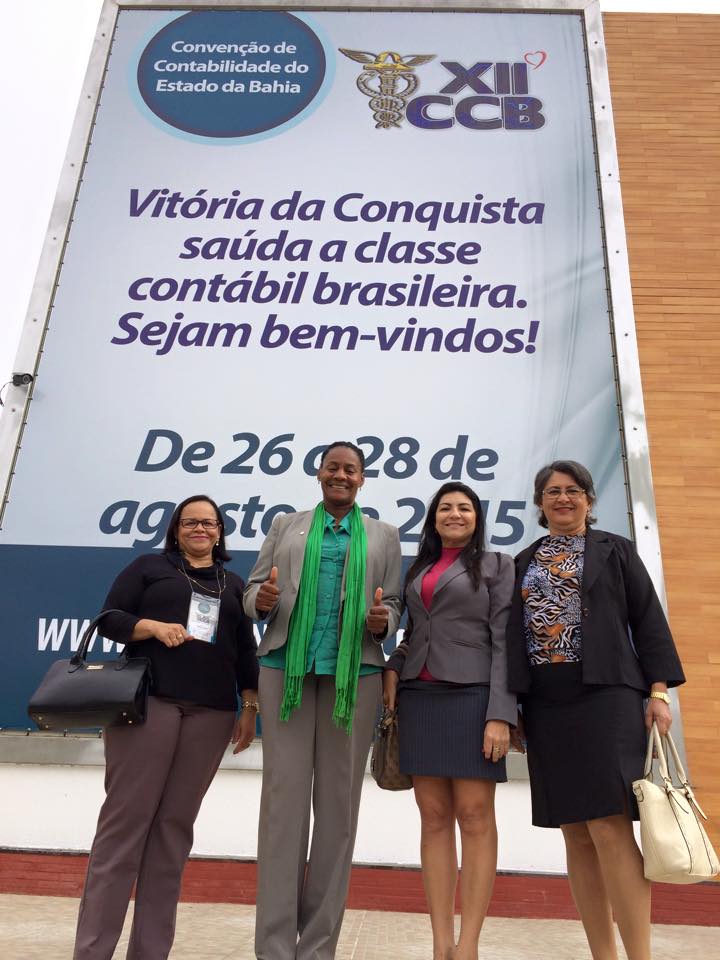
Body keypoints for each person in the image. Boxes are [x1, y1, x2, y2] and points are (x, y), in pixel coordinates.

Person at [506, 461, 685, 960]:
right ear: (540, 503)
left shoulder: (617, 550)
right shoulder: (522, 561)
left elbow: (648, 621)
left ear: (589, 498)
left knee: (609, 826)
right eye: (552, 491)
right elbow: (512, 638)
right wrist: (514, 704)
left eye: (573, 490)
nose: (563, 498)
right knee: (576, 833)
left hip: (608, 697)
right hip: (546, 704)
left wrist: (659, 693)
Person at [73, 494, 259, 960]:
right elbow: (110, 619)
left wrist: (250, 704)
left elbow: (245, 651)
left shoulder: (233, 583)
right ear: (175, 529)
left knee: (173, 832)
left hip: (211, 714)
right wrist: (152, 627)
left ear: (220, 532)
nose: (200, 529)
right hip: (149, 704)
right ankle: (92, 951)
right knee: (124, 827)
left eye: (209, 523)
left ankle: (150, 952)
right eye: (190, 522)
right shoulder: (149, 568)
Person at [244, 440, 402, 960]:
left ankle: (317, 948)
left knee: (338, 812)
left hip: (355, 677)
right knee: (282, 809)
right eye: (333, 467)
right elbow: (252, 592)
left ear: (362, 478)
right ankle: (273, 948)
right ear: (319, 473)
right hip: (285, 672)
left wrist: (383, 620)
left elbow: (394, 603)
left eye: (351, 469)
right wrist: (263, 600)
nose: (341, 475)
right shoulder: (286, 526)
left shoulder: (384, 535)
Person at [383, 481, 516, 960]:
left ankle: (469, 945)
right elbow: (414, 632)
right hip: (420, 698)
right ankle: (441, 944)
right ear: (433, 518)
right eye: (445, 508)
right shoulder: (418, 567)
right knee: (434, 817)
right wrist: (395, 666)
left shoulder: (498, 564)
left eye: (464, 508)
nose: (454, 514)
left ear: (477, 518)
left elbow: (505, 641)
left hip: (473, 697)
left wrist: (500, 714)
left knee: (475, 816)